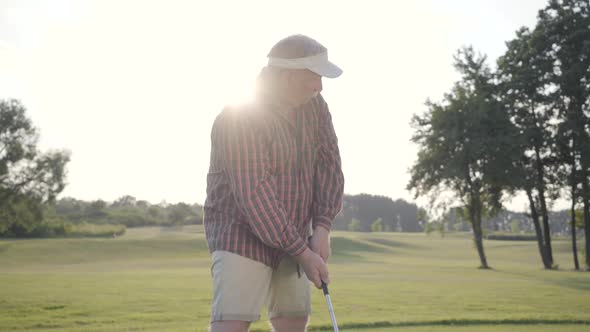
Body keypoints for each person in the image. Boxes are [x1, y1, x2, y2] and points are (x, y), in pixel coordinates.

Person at [204, 34, 344, 332]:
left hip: (294, 233)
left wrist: (322, 228)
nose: (320, 86)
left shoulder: (316, 107)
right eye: (315, 76)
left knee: (293, 319)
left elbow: (330, 165)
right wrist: (303, 253)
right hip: (240, 236)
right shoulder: (240, 116)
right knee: (233, 321)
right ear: (288, 76)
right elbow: (256, 194)